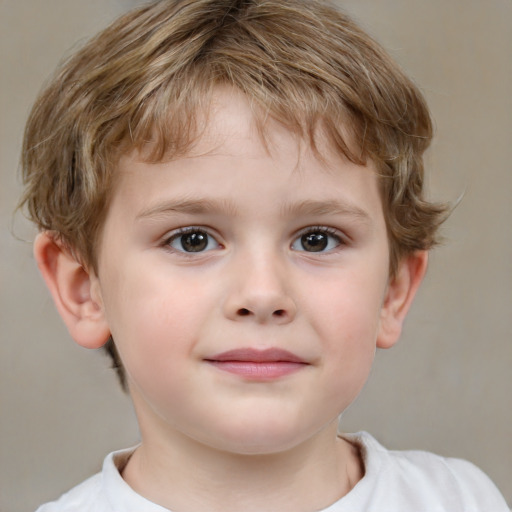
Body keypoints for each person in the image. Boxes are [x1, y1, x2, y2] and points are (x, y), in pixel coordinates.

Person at [19, 0, 509, 510]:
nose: (262, 294)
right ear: (83, 289)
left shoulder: (462, 499)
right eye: (193, 239)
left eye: (316, 239)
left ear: (393, 290)